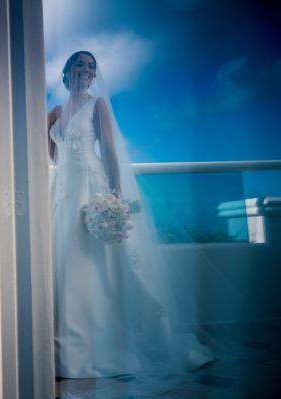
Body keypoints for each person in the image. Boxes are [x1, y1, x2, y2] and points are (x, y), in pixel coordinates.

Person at [48, 50, 211, 394]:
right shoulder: (55, 113)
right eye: (80, 63)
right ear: (67, 71)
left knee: (98, 263)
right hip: (63, 191)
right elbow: (51, 153)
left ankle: (106, 341)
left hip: (92, 188)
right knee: (65, 263)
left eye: (92, 66)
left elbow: (108, 149)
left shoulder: (98, 106)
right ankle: (67, 343)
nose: (87, 69)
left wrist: (114, 197)